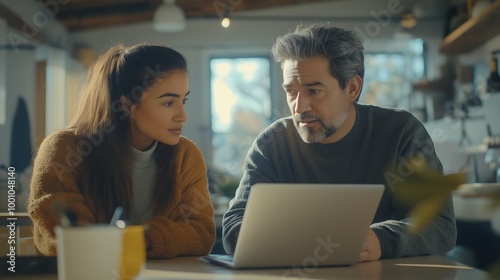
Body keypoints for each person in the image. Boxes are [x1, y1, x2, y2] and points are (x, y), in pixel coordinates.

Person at [222, 23, 456, 262]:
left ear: (352, 88)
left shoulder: (401, 132)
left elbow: (440, 225)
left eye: (314, 91)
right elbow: (233, 226)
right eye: (291, 92)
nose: (299, 107)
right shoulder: (272, 144)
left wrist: (379, 241)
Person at [28, 43, 216, 259]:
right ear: (127, 104)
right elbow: (63, 238)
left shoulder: (186, 154)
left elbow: (201, 232)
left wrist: (136, 240)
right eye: (169, 102)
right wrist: (146, 240)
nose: (183, 116)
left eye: (184, 100)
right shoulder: (63, 150)